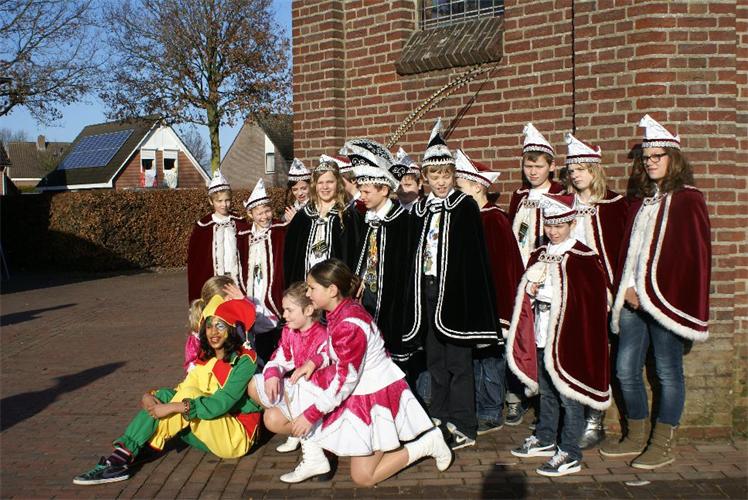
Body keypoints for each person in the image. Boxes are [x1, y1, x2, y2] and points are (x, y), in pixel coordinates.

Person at [260, 259, 453, 487]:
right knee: (297, 398)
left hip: (375, 397)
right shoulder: (339, 311)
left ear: (332, 290)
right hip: (358, 391)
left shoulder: (349, 323)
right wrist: (315, 361)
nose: (308, 293)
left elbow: (346, 379)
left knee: (363, 476)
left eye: (312, 288)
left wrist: (311, 414)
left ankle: (428, 444)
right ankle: (315, 458)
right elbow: (338, 351)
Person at [601, 115, 711, 469]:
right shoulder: (640, 201)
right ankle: (636, 434)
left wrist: (654, 292)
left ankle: (663, 443)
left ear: (673, 158)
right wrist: (627, 289)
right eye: (646, 157)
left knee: (667, 372)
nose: (650, 162)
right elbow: (629, 253)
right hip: (631, 301)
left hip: (665, 302)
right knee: (625, 370)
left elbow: (692, 257)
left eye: (656, 156)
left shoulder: (688, 200)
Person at [73, 297, 261, 485]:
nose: (213, 332)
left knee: (186, 398)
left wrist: (173, 407)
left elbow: (220, 404)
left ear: (230, 328)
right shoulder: (206, 358)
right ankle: (124, 456)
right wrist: (150, 396)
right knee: (164, 397)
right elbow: (181, 390)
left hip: (235, 438)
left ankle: (126, 456)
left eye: (220, 326)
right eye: (209, 326)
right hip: (210, 431)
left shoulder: (244, 360)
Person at [402, 118, 500, 450]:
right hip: (427, 294)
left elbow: (474, 258)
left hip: (455, 296)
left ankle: (464, 423)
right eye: (435, 176)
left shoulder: (464, 206)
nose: (441, 181)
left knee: (459, 363)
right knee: (436, 361)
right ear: (425, 178)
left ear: (453, 175)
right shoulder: (420, 209)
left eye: (446, 175)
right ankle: (440, 414)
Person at [507, 193, 611, 477]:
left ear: (572, 224)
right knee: (547, 393)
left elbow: (588, 302)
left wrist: (546, 293)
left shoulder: (583, 257)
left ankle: (570, 452)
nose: (553, 231)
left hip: (567, 339)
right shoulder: (540, 253)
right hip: (541, 333)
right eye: (549, 225)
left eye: (559, 226)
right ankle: (545, 437)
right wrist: (530, 290)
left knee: (569, 397)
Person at [562, 132, 629, 449]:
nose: (575, 175)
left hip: (601, 294)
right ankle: (572, 418)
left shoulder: (613, 204)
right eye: (571, 170)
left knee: (597, 356)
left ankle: (595, 420)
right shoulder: (564, 204)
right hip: (568, 291)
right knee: (569, 353)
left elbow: (620, 251)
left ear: (594, 170)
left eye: (581, 169)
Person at [454, 148, 524, 435]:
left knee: (491, 358)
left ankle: (491, 411)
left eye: (460, 187)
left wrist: (502, 311)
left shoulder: (494, 219)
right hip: (472, 302)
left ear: (477, 187)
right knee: (475, 358)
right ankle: (477, 407)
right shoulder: (466, 216)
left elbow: (505, 267)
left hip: (491, 304)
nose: (457, 192)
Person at [506, 123, 564, 426]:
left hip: (544, 278)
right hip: (518, 275)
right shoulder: (519, 195)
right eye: (528, 166)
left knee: (543, 340)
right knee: (518, 336)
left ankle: (547, 405)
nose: (532, 171)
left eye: (538, 166)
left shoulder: (559, 194)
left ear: (551, 166)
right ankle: (515, 397)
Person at [247, 281, 329, 481]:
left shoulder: (323, 335)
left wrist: (314, 363)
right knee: (256, 385)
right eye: (284, 309)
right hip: (300, 389)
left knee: (275, 415)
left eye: (289, 310)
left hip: (320, 399)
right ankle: (299, 434)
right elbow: (281, 357)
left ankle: (317, 451)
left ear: (308, 310)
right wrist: (273, 373)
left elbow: (329, 364)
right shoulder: (290, 331)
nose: (284, 315)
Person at [345, 138, 413, 366]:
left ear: (384, 190)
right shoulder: (369, 219)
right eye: (360, 191)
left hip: (391, 304)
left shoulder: (401, 222)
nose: (361, 196)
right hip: (367, 297)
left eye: (366, 191)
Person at [283, 159, 362, 285]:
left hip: (335, 287)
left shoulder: (349, 216)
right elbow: (290, 258)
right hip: (304, 286)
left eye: (330, 182)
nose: (325, 187)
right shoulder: (302, 217)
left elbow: (355, 256)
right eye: (320, 182)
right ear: (315, 185)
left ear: (338, 183)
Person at [242, 179, 288, 362]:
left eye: (267, 211)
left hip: (272, 288)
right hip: (253, 287)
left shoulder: (279, 230)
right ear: (251, 214)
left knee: (273, 325)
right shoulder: (244, 235)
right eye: (259, 213)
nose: (264, 216)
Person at [187, 170, 249, 301]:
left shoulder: (239, 222)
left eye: (227, 200)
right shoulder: (203, 226)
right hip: (213, 279)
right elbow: (197, 261)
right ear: (211, 201)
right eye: (219, 201)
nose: (224, 205)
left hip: (236, 277)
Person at [394, 147, 423, 212]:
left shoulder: (425, 209)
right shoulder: (390, 210)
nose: (403, 190)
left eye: (408, 185)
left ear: (419, 184)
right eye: (399, 186)